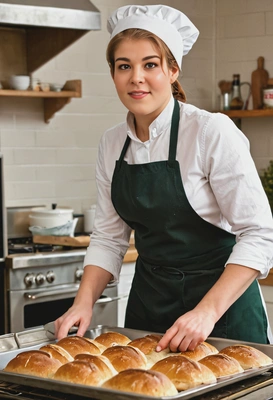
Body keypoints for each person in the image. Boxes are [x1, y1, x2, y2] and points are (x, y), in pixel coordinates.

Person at [55, 4, 273, 352]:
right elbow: (110, 237)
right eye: (124, 66)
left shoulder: (210, 132)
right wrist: (83, 303)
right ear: (113, 74)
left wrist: (205, 313)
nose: (136, 77)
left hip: (222, 314)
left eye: (150, 64)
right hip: (149, 309)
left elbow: (259, 234)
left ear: (173, 71)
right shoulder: (112, 143)